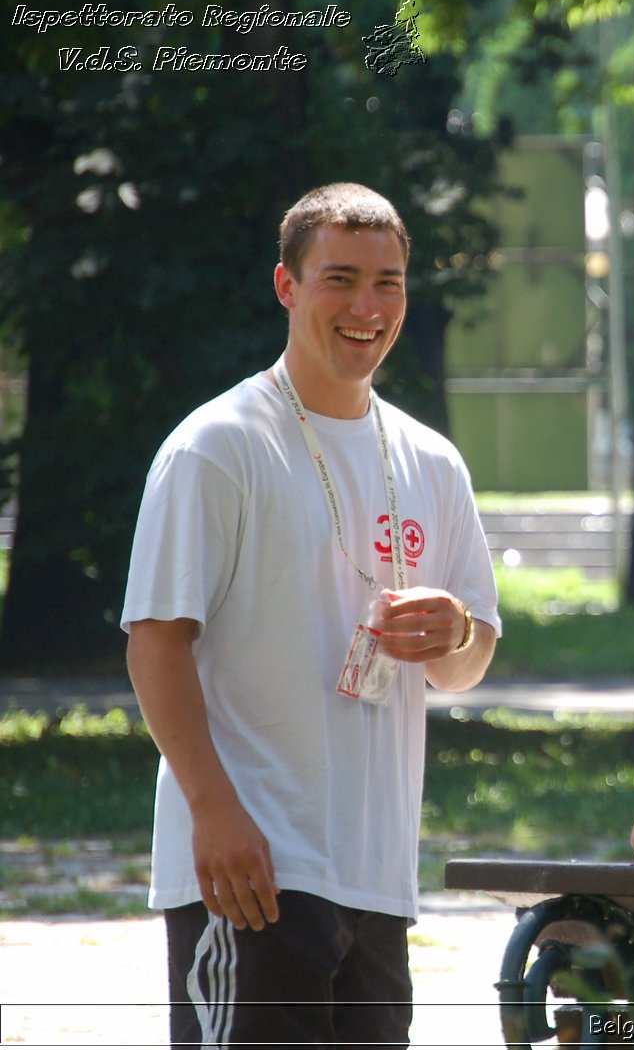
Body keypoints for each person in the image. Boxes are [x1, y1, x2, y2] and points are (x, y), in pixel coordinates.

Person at [123, 182, 500, 1046]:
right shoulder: (218, 446)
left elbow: (467, 660)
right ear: (288, 286)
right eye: (340, 279)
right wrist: (213, 814)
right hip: (249, 868)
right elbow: (156, 646)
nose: (366, 307)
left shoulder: (433, 461)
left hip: (376, 879)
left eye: (388, 282)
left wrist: (457, 633)